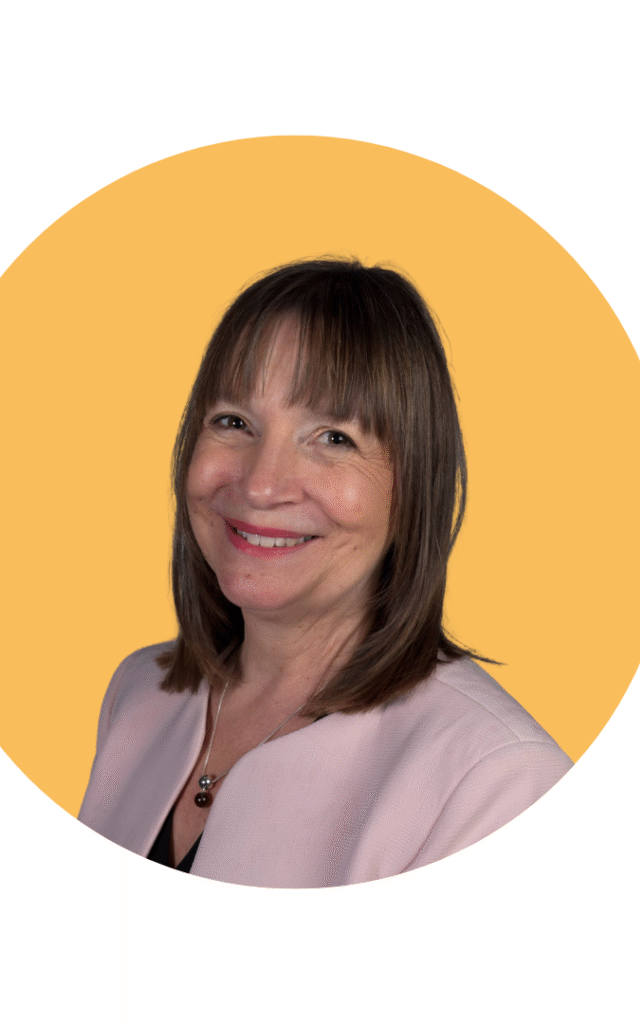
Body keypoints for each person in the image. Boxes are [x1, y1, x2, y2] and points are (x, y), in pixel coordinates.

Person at [78, 257, 572, 887]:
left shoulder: (501, 783)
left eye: (334, 437)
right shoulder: (141, 692)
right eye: (234, 422)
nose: (260, 485)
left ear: (413, 486)